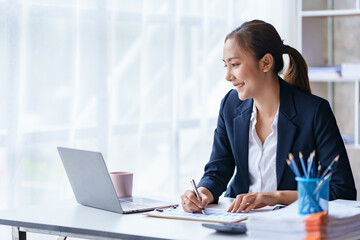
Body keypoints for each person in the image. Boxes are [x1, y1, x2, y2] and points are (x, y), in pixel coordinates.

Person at [180, 19, 357, 213]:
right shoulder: (230, 105)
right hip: (238, 219)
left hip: (288, 223)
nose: (228, 76)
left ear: (266, 63)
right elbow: (218, 170)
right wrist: (203, 193)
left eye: (235, 64)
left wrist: (275, 197)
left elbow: (342, 190)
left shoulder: (314, 112)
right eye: (226, 66)